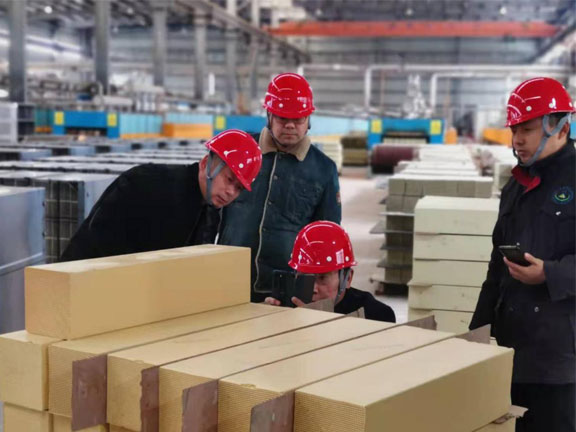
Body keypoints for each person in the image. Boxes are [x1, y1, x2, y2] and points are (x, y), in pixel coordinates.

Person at [470, 77, 575, 432]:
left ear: (561, 127)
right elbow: (495, 267)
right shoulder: (515, 185)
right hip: (511, 345)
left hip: (558, 355)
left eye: (527, 130)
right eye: (514, 130)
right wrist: (477, 334)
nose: (517, 139)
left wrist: (551, 273)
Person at [218, 73, 341, 302]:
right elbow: (212, 209)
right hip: (229, 280)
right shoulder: (241, 151)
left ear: (309, 120)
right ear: (269, 116)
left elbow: (326, 238)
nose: (290, 125)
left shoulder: (324, 170)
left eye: (298, 119)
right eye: (283, 118)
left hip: (286, 291)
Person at [60, 129, 262, 261]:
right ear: (204, 164)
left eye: (239, 188)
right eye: (229, 179)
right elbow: (100, 243)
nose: (231, 192)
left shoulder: (210, 212)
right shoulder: (150, 184)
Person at [265, 221, 396, 323]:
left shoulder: (376, 315)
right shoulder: (288, 307)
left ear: (347, 278)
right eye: (305, 277)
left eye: (322, 278)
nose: (313, 289)